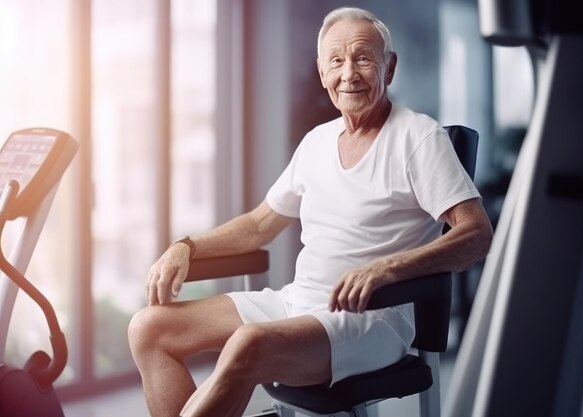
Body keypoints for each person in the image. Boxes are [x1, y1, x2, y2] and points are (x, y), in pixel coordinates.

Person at [128, 6, 493, 417]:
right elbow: (258, 226)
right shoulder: (317, 141)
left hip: (371, 318)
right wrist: (186, 246)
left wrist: (386, 268)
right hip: (297, 303)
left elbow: (476, 234)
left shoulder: (419, 138)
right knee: (149, 328)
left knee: (248, 342)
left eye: (363, 58)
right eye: (336, 61)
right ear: (322, 73)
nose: (349, 73)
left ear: (389, 68)